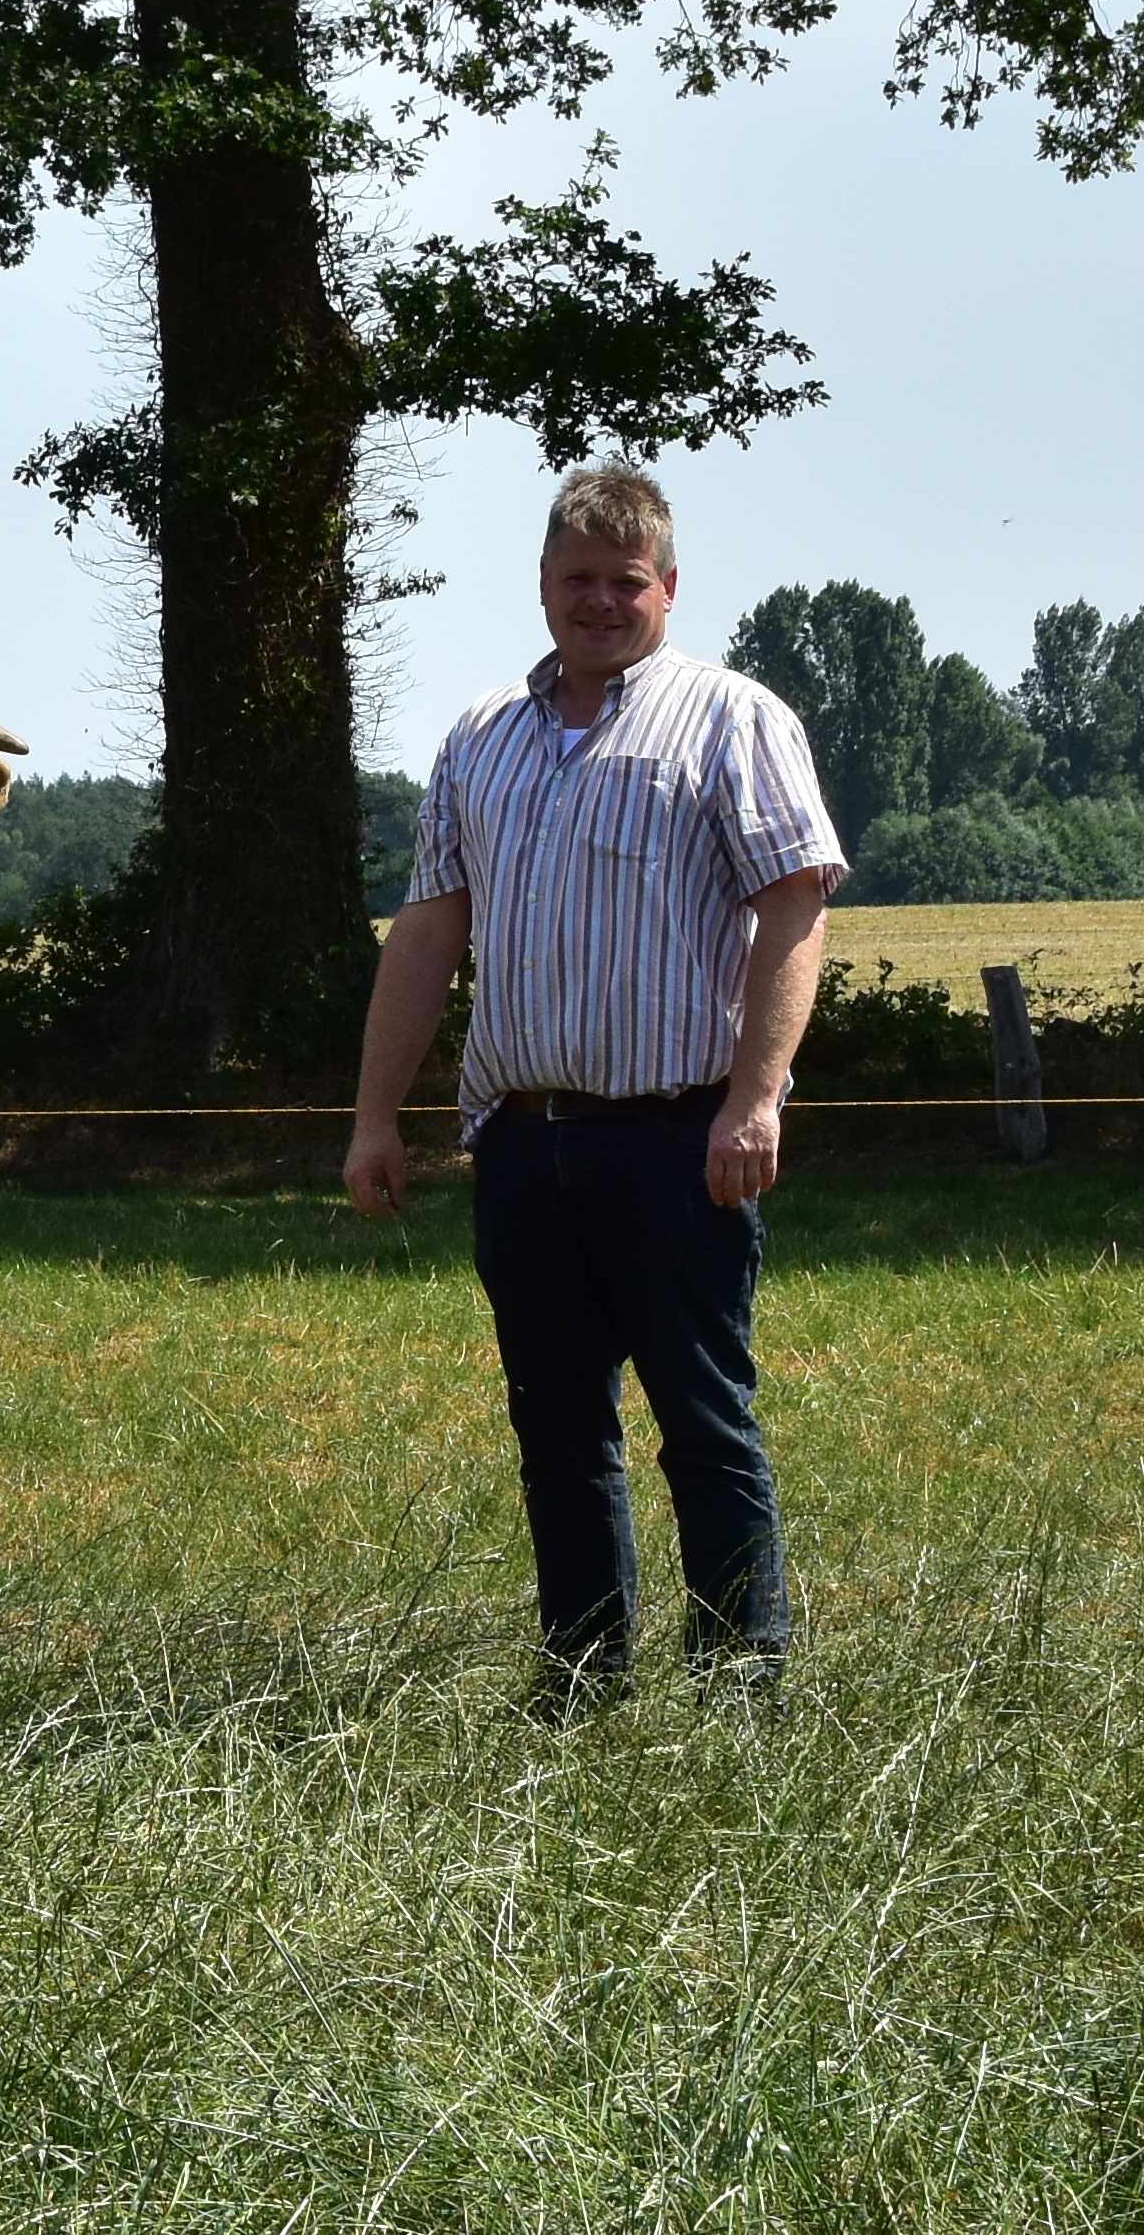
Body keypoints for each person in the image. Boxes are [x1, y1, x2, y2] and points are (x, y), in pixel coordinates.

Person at [345, 462, 844, 1713]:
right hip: (519, 1144)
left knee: (701, 1421)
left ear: (667, 587)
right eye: (577, 579)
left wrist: (753, 1099)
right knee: (557, 1431)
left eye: (626, 581)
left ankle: (742, 1687)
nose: (600, 602)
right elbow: (427, 930)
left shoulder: (731, 720)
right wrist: (371, 1116)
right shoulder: (480, 738)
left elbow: (793, 910)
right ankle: (578, 1682)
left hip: (674, 1141)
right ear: (541, 586)